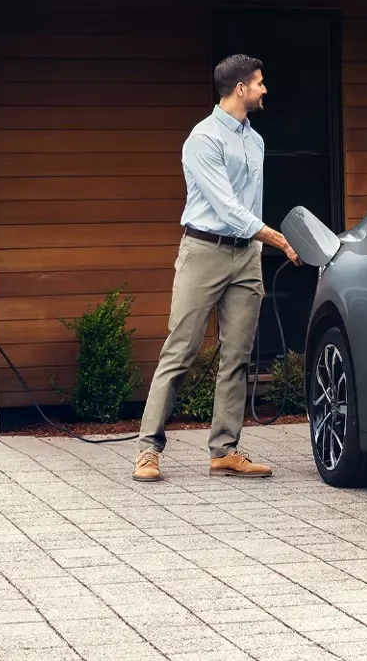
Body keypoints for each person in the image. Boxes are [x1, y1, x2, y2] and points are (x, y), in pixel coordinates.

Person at [132, 54, 300, 482]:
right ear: (240, 89)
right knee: (180, 352)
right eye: (259, 83)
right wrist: (276, 238)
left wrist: (258, 247)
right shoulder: (202, 139)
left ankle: (224, 450)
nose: (265, 89)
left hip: (246, 256)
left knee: (238, 355)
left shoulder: (255, 140)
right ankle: (148, 450)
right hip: (203, 251)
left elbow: (251, 204)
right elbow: (225, 206)